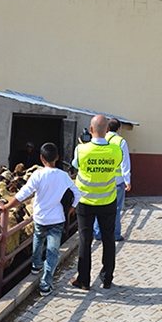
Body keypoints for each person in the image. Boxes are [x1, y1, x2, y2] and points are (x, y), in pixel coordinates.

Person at [0, 142, 81, 296]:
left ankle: (36, 266)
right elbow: (78, 193)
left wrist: (7, 207)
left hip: (40, 218)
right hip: (57, 219)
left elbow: (21, 195)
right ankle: (45, 285)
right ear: (57, 157)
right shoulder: (64, 176)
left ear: (41, 158)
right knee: (52, 252)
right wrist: (70, 210)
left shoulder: (37, 174)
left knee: (38, 239)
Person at [69, 114, 122, 290]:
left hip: (85, 202)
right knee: (108, 240)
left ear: (91, 130)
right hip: (108, 201)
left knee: (85, 240)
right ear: (107, 130)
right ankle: (107, 279)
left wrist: (84, 144)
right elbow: (117, 166)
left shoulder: (81, 149)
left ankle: (83, 280)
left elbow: (75, 165)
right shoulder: (116, 150)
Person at [93, 118, 132, 242]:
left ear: (107, 128)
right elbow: (125, 162)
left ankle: (97, 233)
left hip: (101, 180)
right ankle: (115, 234)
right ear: (119, 129)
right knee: (115, 209)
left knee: (99, 206)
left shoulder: (100, 139)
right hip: (117, 181)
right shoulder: (120, 141)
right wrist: (127, 180)